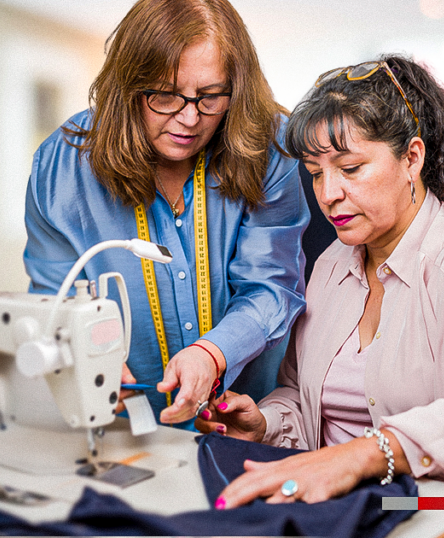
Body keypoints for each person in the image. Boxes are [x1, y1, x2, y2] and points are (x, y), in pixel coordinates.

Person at [195, 54, 444, 537]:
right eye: (315, 173)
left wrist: (363, 455)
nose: (328, 193)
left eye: (350, 168)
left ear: (411, 158)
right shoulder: (333, 267)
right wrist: (267, 423)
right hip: (356, 511)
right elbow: (303, 397)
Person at [23, 0, 308, 428]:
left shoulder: (271, 147)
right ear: (127, 86)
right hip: (119, 430)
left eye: (211, 96)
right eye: (166, 95)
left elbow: (272, 285)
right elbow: (54, 300)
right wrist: (78, 355)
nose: (190, 118)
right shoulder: (60, 168)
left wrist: (213, 352)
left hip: (247, 426)